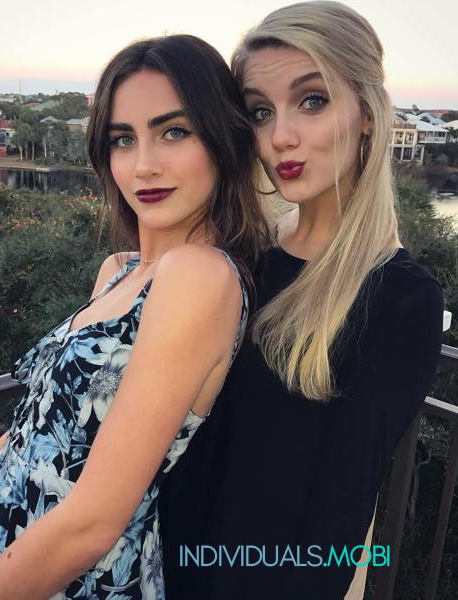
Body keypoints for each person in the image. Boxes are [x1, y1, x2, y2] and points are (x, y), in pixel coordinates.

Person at [159, 3, 444, 599]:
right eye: (260, 111)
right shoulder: (243, 252)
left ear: (367, 115)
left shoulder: (401, 299)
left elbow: (336, 521)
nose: (279, 136)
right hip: (155, 568)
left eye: (312, 101)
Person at [0, 35, 270, 599]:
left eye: (174, 132)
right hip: (6, 554)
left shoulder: (198, 276)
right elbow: (38, 427)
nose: (144, 165)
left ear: (222, 139)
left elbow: (92, 523)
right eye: (122, 139)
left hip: (68, 581)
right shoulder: (120, 269)